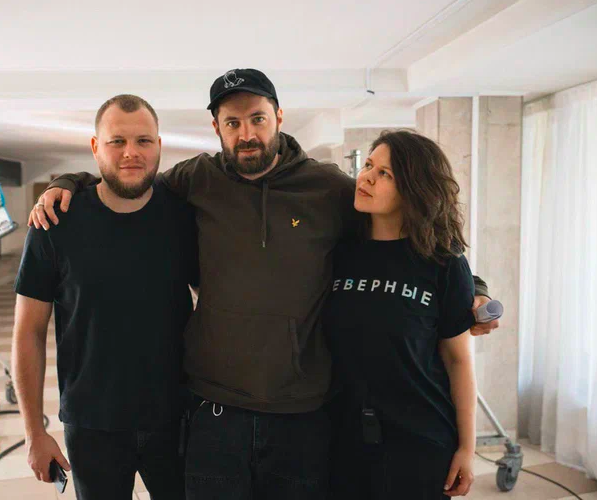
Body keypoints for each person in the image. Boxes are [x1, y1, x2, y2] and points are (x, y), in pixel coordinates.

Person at [28, 69, 498, 500]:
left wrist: (467, 286)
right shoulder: (197, 178)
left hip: (302, 412)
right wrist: (68, 181)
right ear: (217, 128)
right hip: (214, 408)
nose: (246, 133)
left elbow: (398, 240)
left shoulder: (329, 188)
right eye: (232, 123)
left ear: (279, 118)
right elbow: (131, 180)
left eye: (257, 118)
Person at [12, 94, 197, 500]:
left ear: (159, 146)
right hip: (92, 423)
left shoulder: (185, 217)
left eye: (143, 141)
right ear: (96, 147)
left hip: (176, 417)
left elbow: (216, 305)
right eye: (117, 141)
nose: (131, 153)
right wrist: (34, 432)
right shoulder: (54, 223)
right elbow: (28, 332)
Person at [324, 130, 478, 499]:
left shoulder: (444, 263)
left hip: (420, 440)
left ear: (413, 188)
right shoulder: (337, 253)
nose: (366, 177)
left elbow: (458, 360)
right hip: (341, 437)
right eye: (368, 166)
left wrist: (467, 448)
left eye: (385, 174)